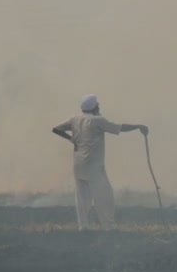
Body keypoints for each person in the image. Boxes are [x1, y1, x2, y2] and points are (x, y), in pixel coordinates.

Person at [53, 94, 148, 231]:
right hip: (94, 167)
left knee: (82, 198)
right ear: (94, 107)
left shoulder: (74, 119)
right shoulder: (98, 121)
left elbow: (56, 129)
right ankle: (108, 226)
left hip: (78, 165)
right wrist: (139, 126)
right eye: (98, 105)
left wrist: (71, 139)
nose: (99, 107)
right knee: (104, 196)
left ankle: (83, 226)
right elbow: (120, 128)